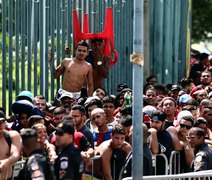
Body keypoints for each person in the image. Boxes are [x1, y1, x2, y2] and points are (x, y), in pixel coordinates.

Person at [148, 110, 173, 175]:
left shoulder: (166, 136)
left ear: (163, 123)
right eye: (152, 121)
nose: (153, 124)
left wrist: (153, 133)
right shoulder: (147, 131)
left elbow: (155, 150)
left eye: (157, 122)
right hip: (148, 171)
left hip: (160, 173)